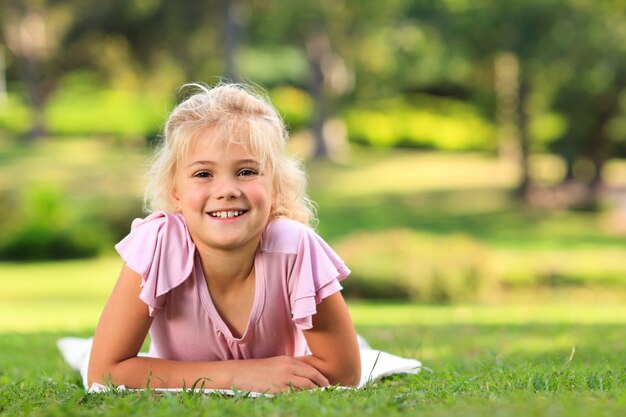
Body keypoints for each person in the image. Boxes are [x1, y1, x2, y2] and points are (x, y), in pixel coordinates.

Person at [87, 82, 362, 394]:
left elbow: (345, 371)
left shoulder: (293, 248)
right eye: (203, 174)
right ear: (176, 192)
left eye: (246, 172)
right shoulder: (159, 245)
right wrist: (239, 375)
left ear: (275, 187)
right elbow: (103, 372)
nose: (227, 190)